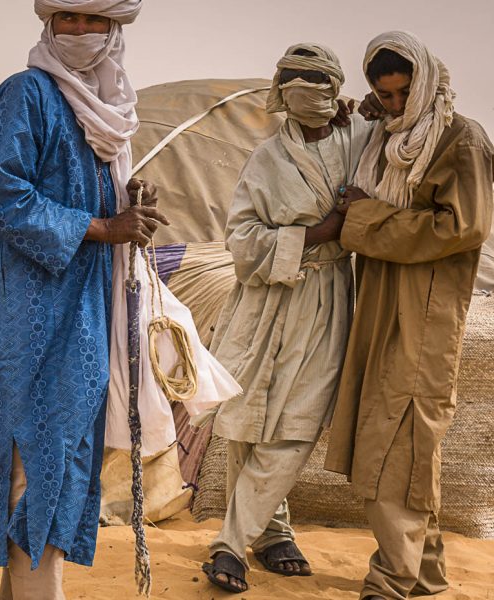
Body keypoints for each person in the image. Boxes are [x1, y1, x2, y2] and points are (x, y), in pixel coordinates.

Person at [0, 2, 172, 597]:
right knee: (37, 458)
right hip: (22, 311)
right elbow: (3, 196)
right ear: (48, 26)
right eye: (67, 18)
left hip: (81, 309)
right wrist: (103, 228)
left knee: (57, 454)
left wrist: (123, 200)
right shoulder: (28, 93)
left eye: (93, 20)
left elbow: (80, 193)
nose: (79, 31)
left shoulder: (110, 114)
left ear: (114, 29)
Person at [324, 31, 493, 600]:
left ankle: (392, 579)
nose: (395, 105)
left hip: (424, 310)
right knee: (405, 444)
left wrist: (367, 219)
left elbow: (462, 227)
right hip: (379, 300)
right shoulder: (386, 137)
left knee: (395, 441)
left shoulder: (460, 139)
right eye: (385, 96)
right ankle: (423, 575)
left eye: (403, 94)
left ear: (424, 81)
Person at [201, 43, 372, 594]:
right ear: (283, 95)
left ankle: (231, 542)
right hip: (263, 300)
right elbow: (241, 239)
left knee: (298, 425)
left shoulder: (363, 140)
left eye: (319, 86)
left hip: (327, 299)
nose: (309, 95)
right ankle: (272, 533)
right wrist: (319, 230)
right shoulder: (267, 158)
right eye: (296, 85)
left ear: (336, 92)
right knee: (247, 421)